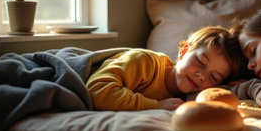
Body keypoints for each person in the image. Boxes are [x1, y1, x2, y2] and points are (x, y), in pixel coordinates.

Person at [86, 26, 244, 111]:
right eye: (200, 61)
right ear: (183, 52)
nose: (202, 76)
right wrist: (155, 105)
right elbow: (96, 90)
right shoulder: (145, 62)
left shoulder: (188, 96)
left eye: (214, 77)